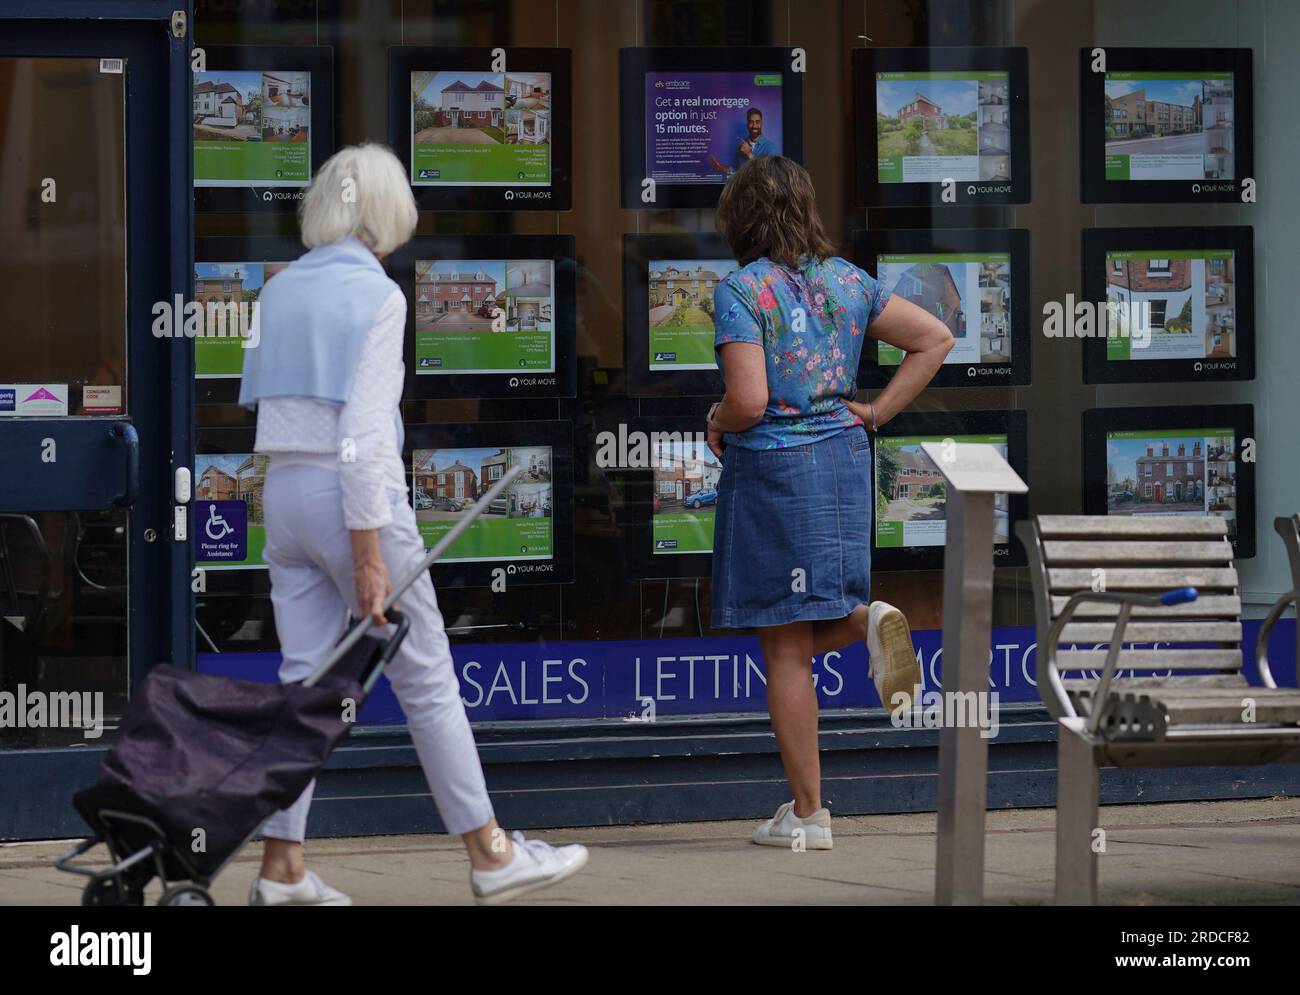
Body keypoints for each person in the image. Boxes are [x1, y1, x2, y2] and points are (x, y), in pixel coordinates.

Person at [237, 143, 588, 905]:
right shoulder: (381, 296)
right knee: (426, 676)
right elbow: (362, 435)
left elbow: (268, 410)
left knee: (304, 683)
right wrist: (368, 552)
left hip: (285, 496)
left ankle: (281, 868)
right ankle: (491, 851)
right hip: (353, 498)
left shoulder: (278, 290)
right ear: (387, 213)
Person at [706, 155, 954, 850]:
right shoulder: (850, 281)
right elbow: (936, 337)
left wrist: (717, 420)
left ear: (740, 217)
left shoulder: (741, 290)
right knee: (802, 624)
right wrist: (873, 413)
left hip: (774, 473)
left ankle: (812, 814)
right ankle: (869, 622)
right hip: (844, 464)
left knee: (783, 644)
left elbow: (750, 400)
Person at [709, 106, 776, 176]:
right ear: (747, 124)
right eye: (751, 122)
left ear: (762, 124)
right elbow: (736, 172)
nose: (754, 125)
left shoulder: (770, 147)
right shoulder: (741, 147)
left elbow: (770, 174)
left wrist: (749, 154)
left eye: (757, 122)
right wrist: (721, 167)